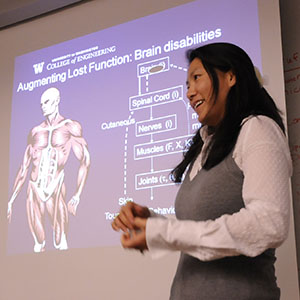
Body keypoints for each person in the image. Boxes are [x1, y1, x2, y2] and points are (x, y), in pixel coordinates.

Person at [111, 42, 292, 299]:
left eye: (197, 78)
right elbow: (198, 231)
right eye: (187, 84)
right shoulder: (206, 146)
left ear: (231, 76)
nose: (189, 92)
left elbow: (269, 223)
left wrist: (165, 233)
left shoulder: (257, 129)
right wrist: (150, 223)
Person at [8, 87, 90, 253]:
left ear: (57, 101)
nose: (43, 106)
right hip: (34, 187)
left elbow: (85, 161)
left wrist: (77, 195)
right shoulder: (36, 132)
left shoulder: (70, 127)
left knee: (60, 241)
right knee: (38, 243)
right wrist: (10, 200)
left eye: (46, 102)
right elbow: (24, 168)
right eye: (41, 104)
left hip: (55, 186)